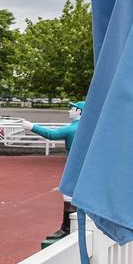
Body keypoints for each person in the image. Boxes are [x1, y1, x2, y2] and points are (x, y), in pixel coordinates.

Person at [22, 101, 84, 240]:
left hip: (74, 167)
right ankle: (77, 226)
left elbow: (52, 134)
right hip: (84, 167)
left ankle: (67, 228)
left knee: (68, 196)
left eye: (71, 109)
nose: (69, 111)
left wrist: (31, 126)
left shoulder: (72, 129)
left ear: (79, 111)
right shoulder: (88, 128)